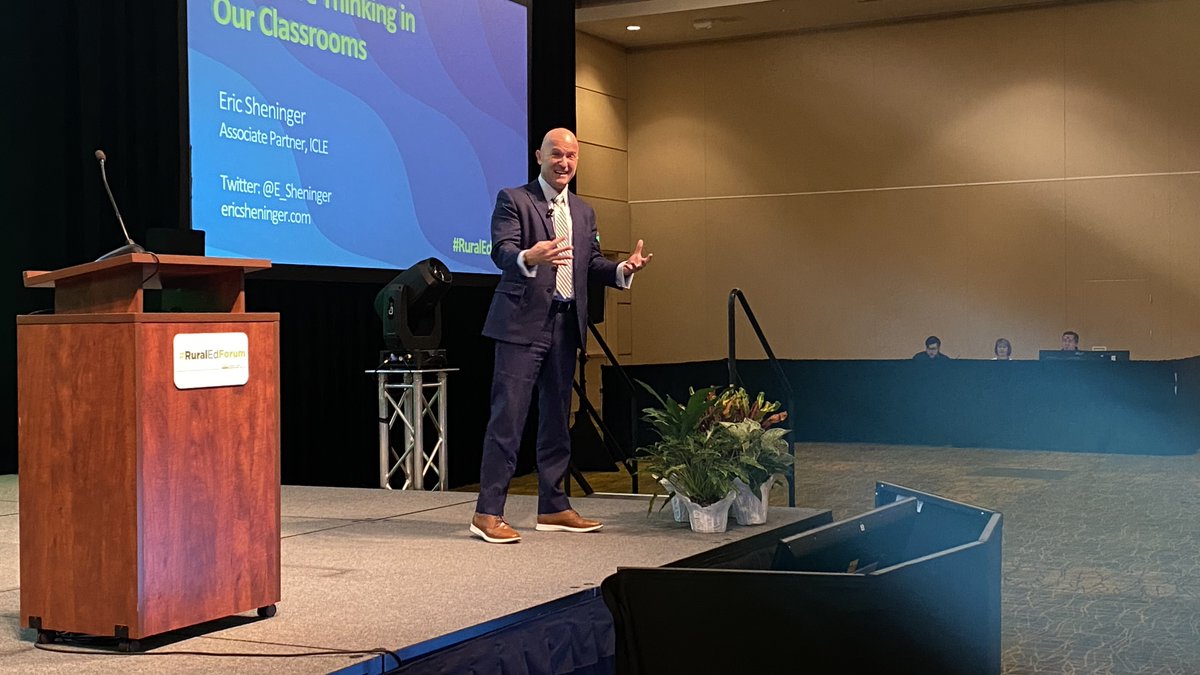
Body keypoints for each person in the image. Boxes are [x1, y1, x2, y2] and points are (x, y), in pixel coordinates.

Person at [471, 129, 653, 544]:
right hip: (521, 324)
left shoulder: (584, 211)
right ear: (539, 156)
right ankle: (487, 512)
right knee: (509, 418)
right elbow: (501, 250)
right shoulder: (513, 199)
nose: (564, 162)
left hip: (566, 324)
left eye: (571, 156)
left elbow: (590, 263)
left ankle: (553, 506)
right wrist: (526, 257)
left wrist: (623, 270)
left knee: (557, 420)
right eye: (557, 154)